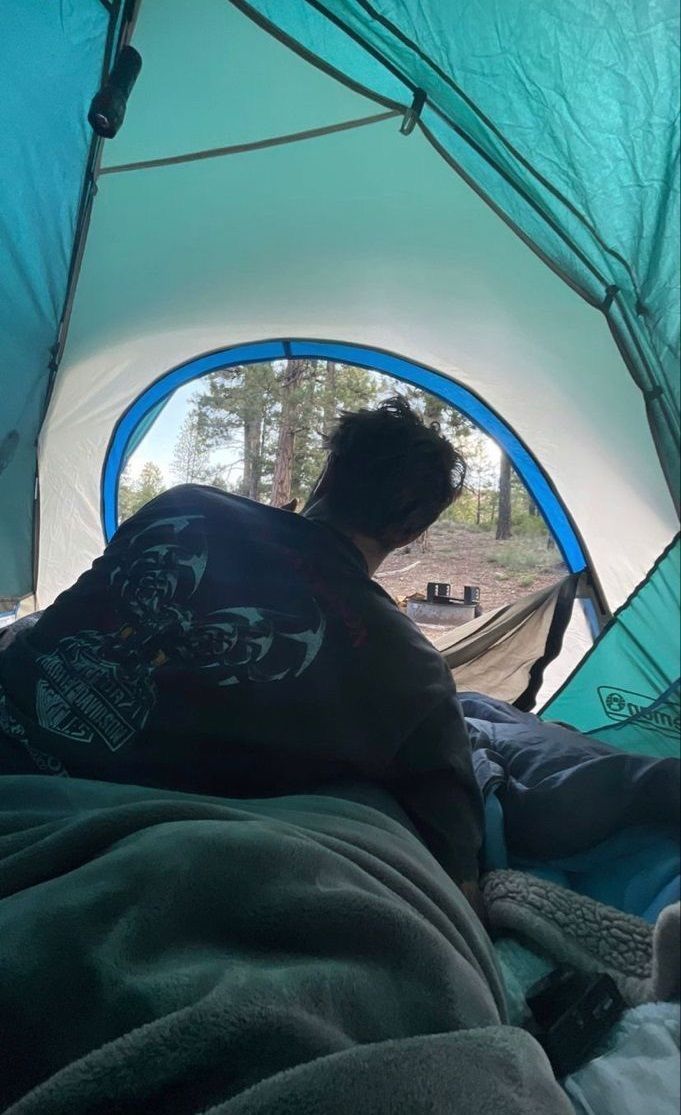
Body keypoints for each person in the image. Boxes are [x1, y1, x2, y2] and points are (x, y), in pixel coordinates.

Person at [0, 397, 484, 908]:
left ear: (328, 474)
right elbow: (457, 859)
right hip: (126, 852)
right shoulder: (411, 669)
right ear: (411, 531)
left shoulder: (183, 507)